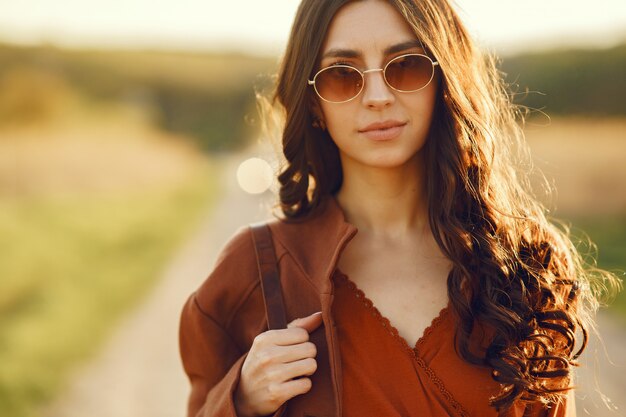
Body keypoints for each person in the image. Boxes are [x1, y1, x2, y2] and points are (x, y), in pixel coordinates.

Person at [179, 1, 621, 416]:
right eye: (342, 74)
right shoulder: (256, 268)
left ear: (443, 78)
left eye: (406, 66)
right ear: (314, 103)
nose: (377, 96)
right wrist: (243, 400)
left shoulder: (529, 264)